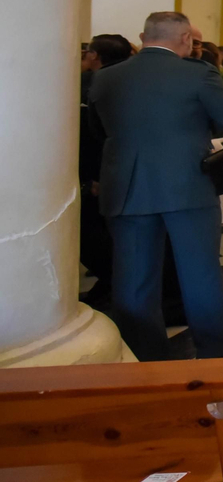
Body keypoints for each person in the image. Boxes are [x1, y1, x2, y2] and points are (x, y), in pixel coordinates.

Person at [88, 11, 223, 361]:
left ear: (143, 37)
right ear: (186, 40)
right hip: (186, 184)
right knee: (199, 271)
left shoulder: (105, 77)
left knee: (133, 280)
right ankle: (215, 347)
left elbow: (96, 130)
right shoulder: (197, 73)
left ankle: (148, 356)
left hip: (127, 185)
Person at [79, 34, 134, 307]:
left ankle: (117, 285)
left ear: (94, 57)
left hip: (99, 170)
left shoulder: (88, 85)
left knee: (93, 236)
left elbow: (93, 133)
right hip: (130, 170)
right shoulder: (136, 83)